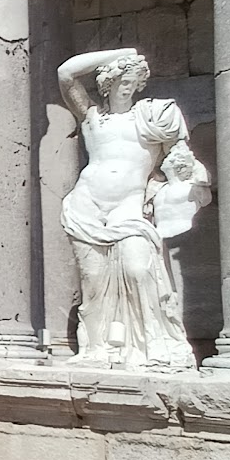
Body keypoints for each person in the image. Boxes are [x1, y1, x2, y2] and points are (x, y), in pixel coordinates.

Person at [57, 49, 210, 370]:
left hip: (128, 207)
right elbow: (66, 73)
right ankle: (96, 349)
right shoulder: (91, 117)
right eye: (122, 81)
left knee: (138, 270)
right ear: (108, 83)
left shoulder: (152, 117)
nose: (128, 88)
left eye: (134, 82)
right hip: (86, 204)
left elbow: (179, 158)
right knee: (92, 281)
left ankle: (154, 347)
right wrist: (124, 54)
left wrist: (183, 175)